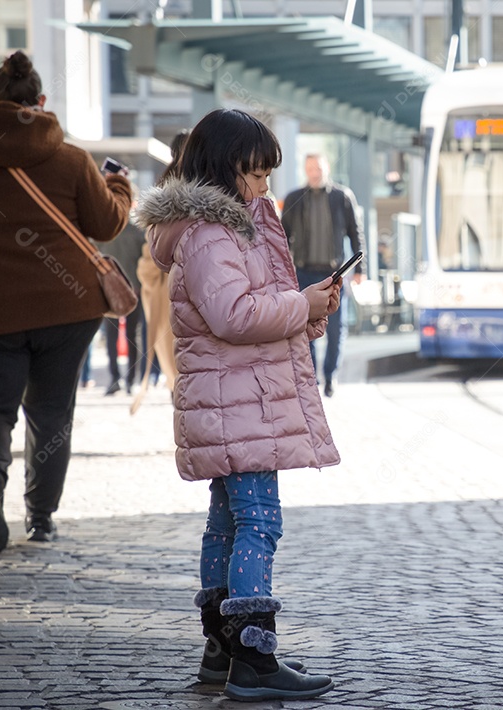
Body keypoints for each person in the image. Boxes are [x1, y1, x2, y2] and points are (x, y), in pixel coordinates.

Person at [134, 108, 339, 701]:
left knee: (225, 526)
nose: (264, 187)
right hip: (239, 402)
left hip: (237, 399)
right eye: (256, 175)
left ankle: (220, 653)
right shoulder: (212, 234)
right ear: (226, 170)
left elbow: (259, 307)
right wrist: (300, 305)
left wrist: (308, 308)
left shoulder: (226, 226)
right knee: (258, 523)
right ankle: (253, 656)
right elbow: (236, 315)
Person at [0, 52, 131, 552]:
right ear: (39, 102)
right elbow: (105, 225)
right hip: (66, 308)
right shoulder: (72, 159)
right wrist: (118, 185)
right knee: (51, 413)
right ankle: (40, 517)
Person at [281, 154, 364, 397]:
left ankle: (330, 376)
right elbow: (281, 238)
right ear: (305, 170)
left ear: (326, 168)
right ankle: (312, 379)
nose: (314, 172)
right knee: (306, 330)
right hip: (304, 273)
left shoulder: (342, 197)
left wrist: (361, 270)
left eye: (318, 167)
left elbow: (356, 234)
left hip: (334, 274)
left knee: (337, 329)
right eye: (309, 168)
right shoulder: (294, 198)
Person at [136, 129, 188, 396]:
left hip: (165, 294)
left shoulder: (161, 192)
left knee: (180, 383)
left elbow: (149, 255)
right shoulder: (206, 193)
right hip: (181, 293)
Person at [100, 222, 146, 395]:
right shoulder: (138, 233)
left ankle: (114, 378)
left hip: (109, 291)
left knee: (111, 336)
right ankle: (130, 380)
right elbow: (145, 261)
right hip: (134, 290)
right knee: (133, 335)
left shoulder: (105, 232)